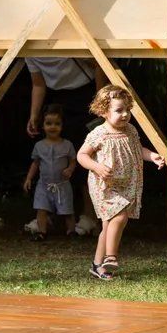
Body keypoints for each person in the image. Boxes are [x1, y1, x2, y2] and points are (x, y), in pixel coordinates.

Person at [77, 85, 165, 281]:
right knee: (120, 216)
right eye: (119, 110)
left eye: (127, 110)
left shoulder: (130, 130)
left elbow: (138, 149)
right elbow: (82, 155)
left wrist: (153, 156)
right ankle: (111, 256)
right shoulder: (98, 134)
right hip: (105, 185)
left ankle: (97, 266)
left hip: (126, 183)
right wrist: (96, 167)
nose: (125, 114)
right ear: (103, 111)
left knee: (109, 227)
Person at [26, 58, 106, 225]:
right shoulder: (30, 50)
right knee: (51, 156)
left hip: (85, 95)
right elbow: (38, 84)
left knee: (86, 156)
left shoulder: (69, 39)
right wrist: (34, 115)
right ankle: (46, 215)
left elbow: (100, 65)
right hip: (55, 98)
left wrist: (100, 105)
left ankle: (89, 216)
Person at [22, 104, 76, 241]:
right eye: (49, 123)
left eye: (57, 124)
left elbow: (73, 160)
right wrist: (29, 178)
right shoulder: (39, 146)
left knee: (67, 209)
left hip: (62, 184)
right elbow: (35, 163)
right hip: (44, 185)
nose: (53, 127)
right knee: (41, 208)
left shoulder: (67, 144)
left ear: (62, 126)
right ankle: (42, 232)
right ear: (43, 126)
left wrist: (70, 169)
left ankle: (71, 231)